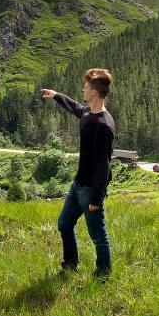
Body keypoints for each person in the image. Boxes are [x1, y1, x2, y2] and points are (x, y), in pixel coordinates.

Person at [40, 68, 115, 278]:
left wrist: (96, 197)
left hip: (91, 189)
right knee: (64, 224)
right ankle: (70, 265)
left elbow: (104, 165)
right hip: (78, 185)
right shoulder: (89, 113)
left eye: (86, 87)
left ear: (94, 92)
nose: (83, 89)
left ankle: (103, 275)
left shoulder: (104, 125)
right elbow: (76, 108)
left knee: (98, 235)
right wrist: (56, 96)